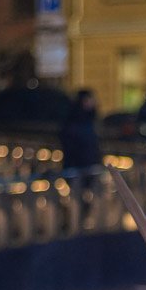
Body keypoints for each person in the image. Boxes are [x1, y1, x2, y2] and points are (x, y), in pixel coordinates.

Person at [59, 89, 103, 221]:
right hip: (79, 166)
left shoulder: (88, 121)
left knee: (85, 198)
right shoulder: (77, 124)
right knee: (78, 199)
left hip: (88, 165)